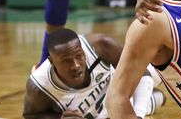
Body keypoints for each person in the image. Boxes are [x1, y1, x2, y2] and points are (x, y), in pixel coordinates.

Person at [23, 28, 165, 119]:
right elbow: (30, 116)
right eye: (66, 61)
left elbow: (141, 73)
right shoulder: (38, 86)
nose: (76, 65)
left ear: (83, 50)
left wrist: (138, 115)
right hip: (102, 114)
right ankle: (150, 101)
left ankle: (142, 103)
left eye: (79, 56)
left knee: (157, 71)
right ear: (51, 61)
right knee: (159, 98)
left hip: (120, 84)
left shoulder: (100, 45)